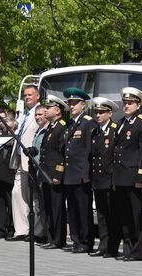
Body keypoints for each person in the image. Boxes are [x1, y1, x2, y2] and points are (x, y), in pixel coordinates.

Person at [113, 87, 142, 261]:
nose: (126, 106)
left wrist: (140, 175)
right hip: (120, 175)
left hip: (133, 175)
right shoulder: (120, 123)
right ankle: (128, 248)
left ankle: (138, 250)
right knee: (125, 216)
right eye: (124, 103)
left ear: (138, 105)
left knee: (137, 216)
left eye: (130, 103)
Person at [62, 87, 96, 254]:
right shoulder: (71, 123)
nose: (71, 106)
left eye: (75, 103)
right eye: (70, 103)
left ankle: (85, 241)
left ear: (83, 104)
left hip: (81, 174)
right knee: (73, 210)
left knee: (83, 210)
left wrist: (86, 173)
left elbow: (88, 150)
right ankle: (76, 240)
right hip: (69, 174)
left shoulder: (88, 122)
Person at [8, 85, 42, 241]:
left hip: (32, 160)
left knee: (34, 197)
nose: (27, 97)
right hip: (20, 160)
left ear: (38, 96)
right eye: (25, 95)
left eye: (30, 95)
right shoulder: (24, 114)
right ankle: (21, 230)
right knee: (17, 193)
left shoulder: (40, 112)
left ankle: (37, 231)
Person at [90, 97, 121, 258]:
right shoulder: (95, 131)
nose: (98, 115)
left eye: (101, 112)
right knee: (101, 215)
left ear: (110, 113)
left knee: (112, 216)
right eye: (96, 112)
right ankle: (103, 245)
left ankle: (112, 247)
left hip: (109, 178)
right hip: (98, 178)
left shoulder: (115, 130)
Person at [38, 95, 68, 249]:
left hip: (54, 175)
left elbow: (62, 154)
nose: (45, 110)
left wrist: (58, 174)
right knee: (49, 208)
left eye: (48, 108)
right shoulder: (51, 126)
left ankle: (58, 239)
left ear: (57, 110)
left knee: (57, 208)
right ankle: (51, 237)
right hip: (46, 174)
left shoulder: (62, 126)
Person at [31, 105, 49, 244]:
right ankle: (39, 232)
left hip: (44, 171)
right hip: (35, 171)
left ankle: (46, 233)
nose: (38, 117)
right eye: (36, 115)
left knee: (45, 204)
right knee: (37, 204)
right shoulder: (38, 130)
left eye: (40, 114)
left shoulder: (48, 130)